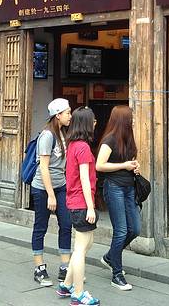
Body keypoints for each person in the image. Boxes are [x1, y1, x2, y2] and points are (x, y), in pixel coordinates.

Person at [57, 107, 100, 306]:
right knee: (81, 249)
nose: (95, 123)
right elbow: (84, 179)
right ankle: (79, 293)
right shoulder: (83, 147)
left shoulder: (73, 144)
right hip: (81, 202)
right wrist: (90, 207)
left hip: (75, 201)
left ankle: (66, 285)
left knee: (84, 245)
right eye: (93, 120)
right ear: (86, 124)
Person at [95, 105, 140, 291]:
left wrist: (134, 166)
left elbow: (128, 162)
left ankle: (109, 257)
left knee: (135, 229)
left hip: (129, 187)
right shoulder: (110, 139)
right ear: (123, 120)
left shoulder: (129, 139)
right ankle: (117, 274)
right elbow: (99, 165)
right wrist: (124, 166)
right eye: (131, 118)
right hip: (114, 187)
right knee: (121, 231)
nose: (133, 121)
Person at [31, 98, 72, 287]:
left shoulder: (62, 133)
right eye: (67, 113)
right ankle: (39, 267)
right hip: (43, 188)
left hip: (61, 185)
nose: (70, 116)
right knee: (41, 226)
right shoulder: (47, 135)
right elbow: (44, 167)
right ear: (58, 115)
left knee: (66, 224)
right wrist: (51, 195)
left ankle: (65, 267)